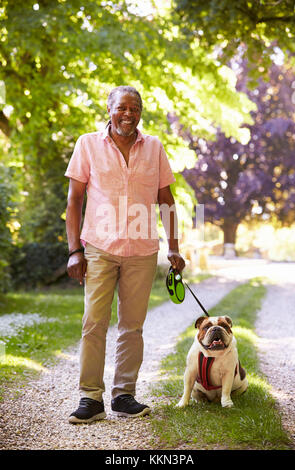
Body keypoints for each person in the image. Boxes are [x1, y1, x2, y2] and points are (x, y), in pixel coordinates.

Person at [65, 85, 185, 424]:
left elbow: (166, 200)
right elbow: (74, 201)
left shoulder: (155, 147)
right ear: (110, 110)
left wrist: (174, 247)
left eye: (134, 108)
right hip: (100, 249)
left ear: (141, 112)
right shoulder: (88, 144)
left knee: (132, 326)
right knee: (94, 323)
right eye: (121, 108)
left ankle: (124, 394)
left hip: (142, 249)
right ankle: (90, 397)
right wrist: (75, 251)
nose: (128, 114)